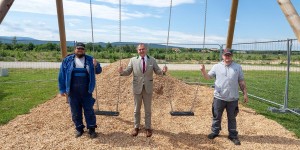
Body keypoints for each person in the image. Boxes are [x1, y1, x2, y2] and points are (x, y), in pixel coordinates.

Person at [118, 43, 167, 137]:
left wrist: (163, 72)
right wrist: (121, 72)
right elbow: (128, 71)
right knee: (136, 109)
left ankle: (148, 128)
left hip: (148, 88)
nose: (141, 51)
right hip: (137, 87)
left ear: (146, 50)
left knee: (148, 109)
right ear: (137, 50)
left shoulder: (152, 60)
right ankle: (136, 127)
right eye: (140, 49)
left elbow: (157, 71)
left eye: (143, 49)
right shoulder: (133, 60)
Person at [200, 48, 248, 145]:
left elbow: (241, 81)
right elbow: (207, 77)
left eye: (229, 55)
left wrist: (245, 93)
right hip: (219, 97)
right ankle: (215, 131)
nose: (227, 57)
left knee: (232, 118)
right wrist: (203, 71)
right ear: (222, 56)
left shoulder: (237, 67)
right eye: (226, 55)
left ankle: (233, 135)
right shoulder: (217, 66)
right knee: (216, 116)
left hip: (233, 98)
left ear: (232, 56)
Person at [58, 42, 102, 138]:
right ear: (75, 50)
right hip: (72, 92)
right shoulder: (67, 60)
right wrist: (62, 89)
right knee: (75, 111)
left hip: (86, 90)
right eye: (78, 48)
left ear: (84, 50)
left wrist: (96, 65)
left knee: (89, 110)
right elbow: (62, 75)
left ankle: (91, 129)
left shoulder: (90, 59)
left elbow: (98, 71)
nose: (80, 50)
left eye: (82, 49)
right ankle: (79, 129)